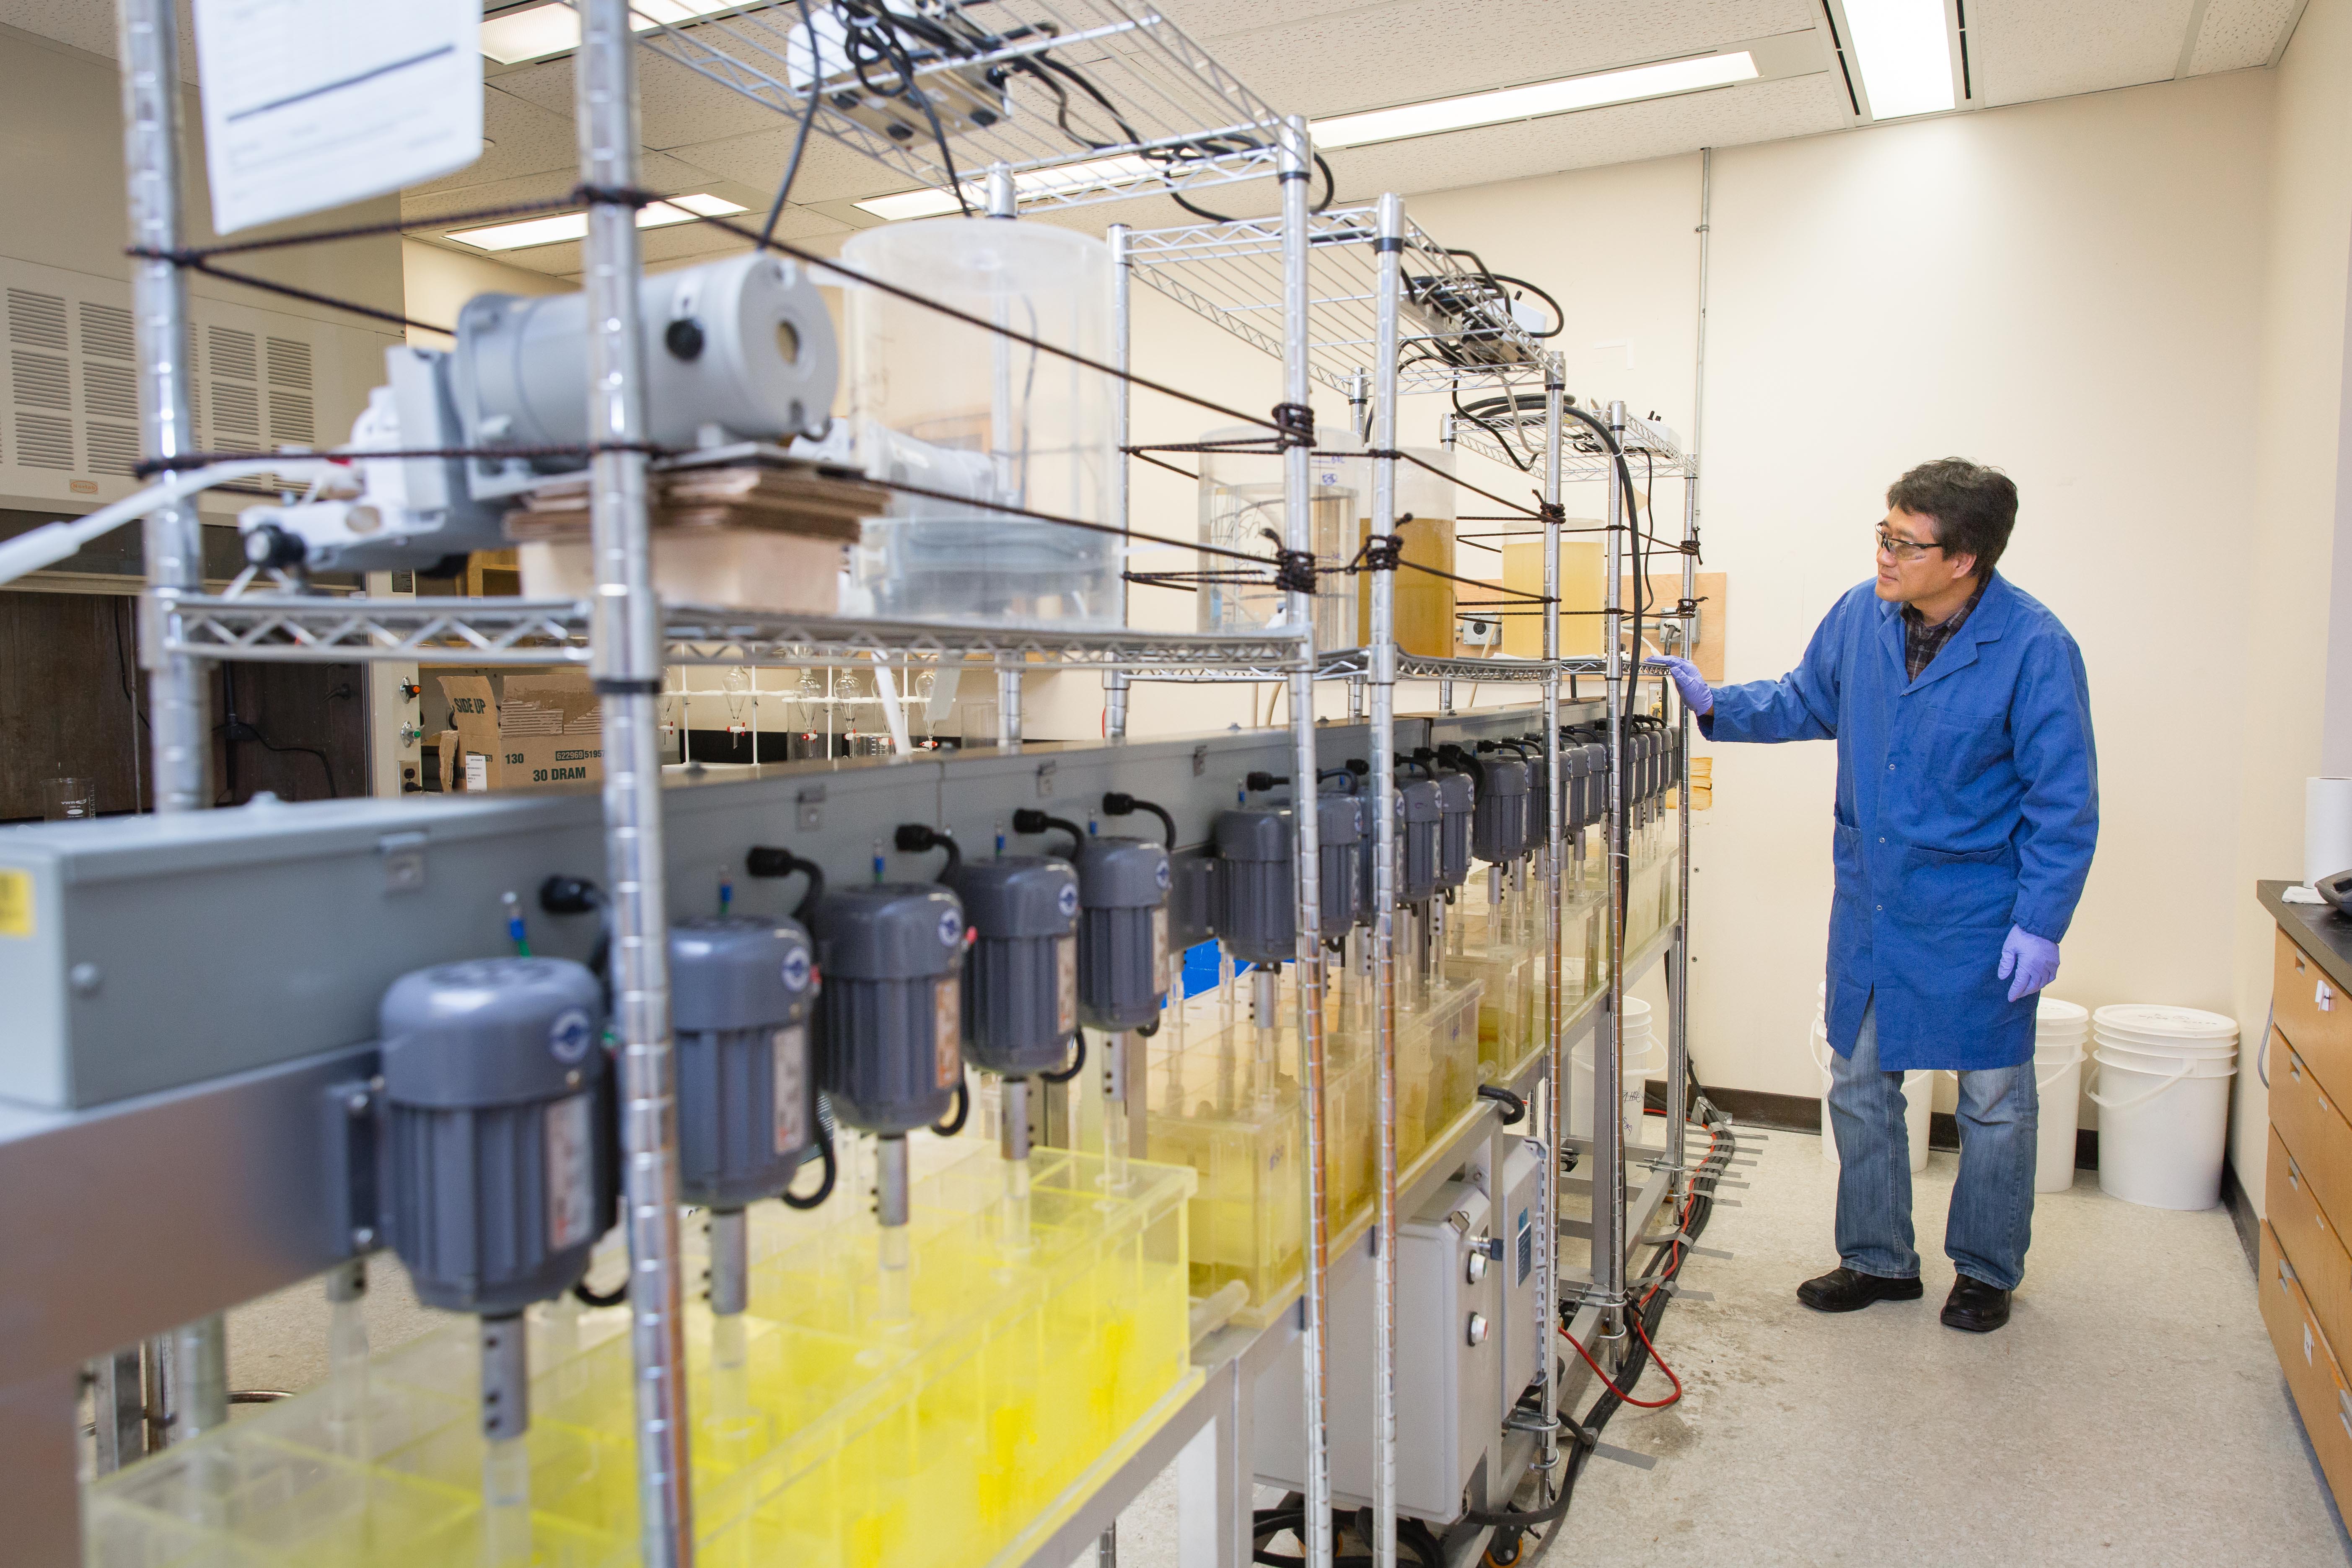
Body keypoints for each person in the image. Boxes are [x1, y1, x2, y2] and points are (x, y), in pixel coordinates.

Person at [1647, 458, 2096, 1333]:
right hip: (1872, 898)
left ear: (1964, 557)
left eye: (1905, 542)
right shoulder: (1862, 613)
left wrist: (2040, 922)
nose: (1885, 555)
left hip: (1975, 909)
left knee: (1994, 1100)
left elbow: (2063, 799)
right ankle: (1878, 1257)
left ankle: (1986, 1269)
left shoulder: (2036, 647)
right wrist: (1717, 704)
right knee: (1858, 1080)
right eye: (1882, 534)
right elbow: (1807, 698)